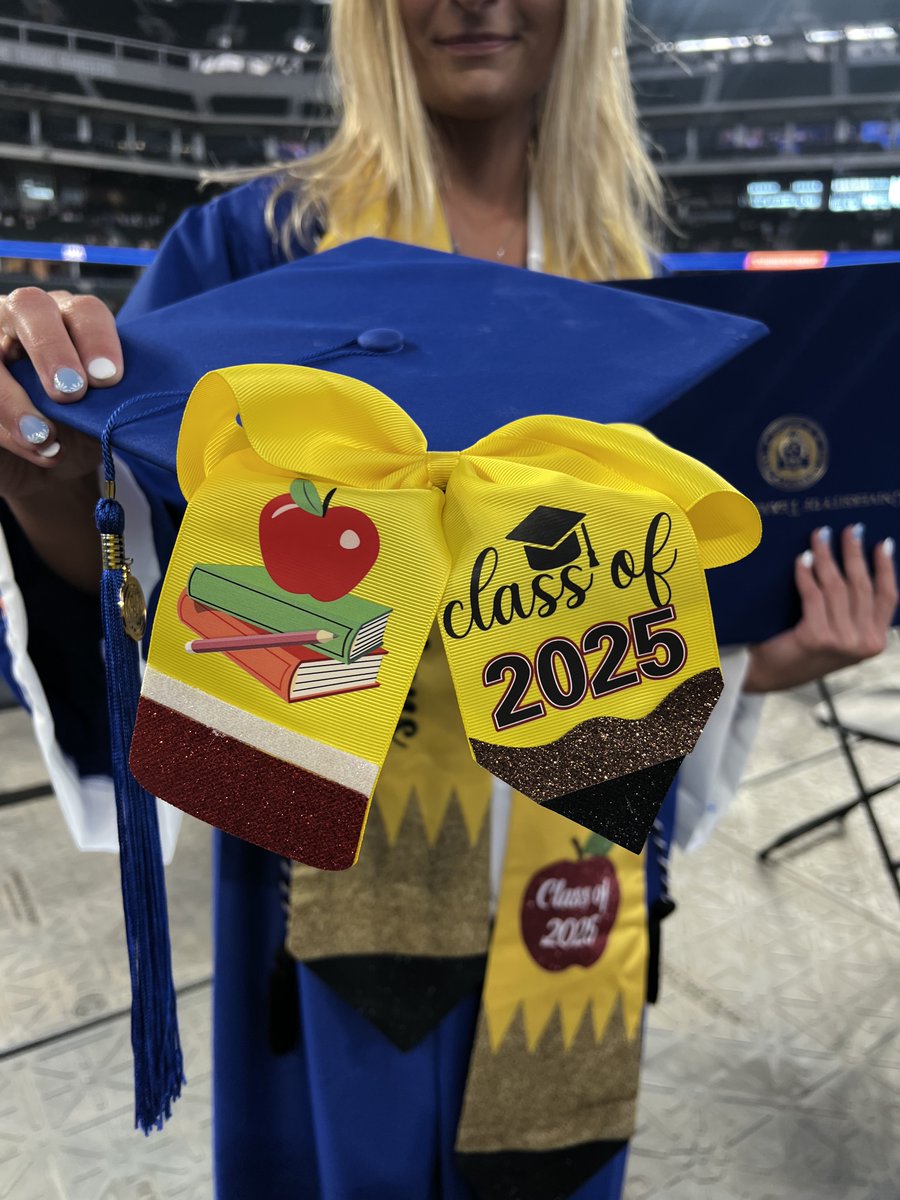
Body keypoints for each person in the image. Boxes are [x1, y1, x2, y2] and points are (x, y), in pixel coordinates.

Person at [0, 2, 896, 1198]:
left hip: (577, 856)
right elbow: (142, 599)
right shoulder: (248, 255)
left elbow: (678, 614)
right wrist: (47, 479)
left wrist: (768, 659)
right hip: (322, 871)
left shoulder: (637, 291)